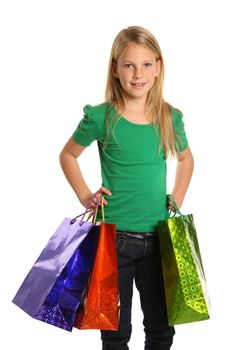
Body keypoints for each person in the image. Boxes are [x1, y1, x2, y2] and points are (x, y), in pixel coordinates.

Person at [59, 26, 194, 350]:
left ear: (158, 67)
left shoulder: (168, 117)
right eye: (129, 65)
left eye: (147, 64)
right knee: (116, 331)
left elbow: (186, 159)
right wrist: (84, 195)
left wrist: (176, 198)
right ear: (115, 69)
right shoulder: (101, 117)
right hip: (113, 238)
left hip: (158, 237)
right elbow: (68, 154)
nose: (138, 74)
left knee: (162, 330)